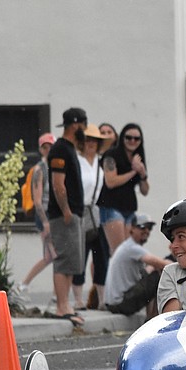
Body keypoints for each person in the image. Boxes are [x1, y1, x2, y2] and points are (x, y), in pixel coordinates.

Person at [47, 107, 88, 328]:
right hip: (64, 215)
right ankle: (62, 306)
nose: (84, 129)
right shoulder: (60, 149)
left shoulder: (70, 148)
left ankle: (67, 306)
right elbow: (57, 184)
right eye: (83, 124)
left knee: (73, 261)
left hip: (73, 215)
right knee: (64, 260)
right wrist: (65, 211)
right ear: (75, 125)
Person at [14, 133, 57, 303]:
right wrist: (45, 223)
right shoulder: (40, 170)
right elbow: (38, 201)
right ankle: (24, 285)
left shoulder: (55, 167)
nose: (48, 150)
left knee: (52, 257)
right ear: (41, 149)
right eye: (45, 147)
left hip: (53, 216)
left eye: (51, 147)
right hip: (45, 217)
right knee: (53, 257)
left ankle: (53, 293)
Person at [104, 212, 171, 318]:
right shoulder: (131, 247)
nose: (146, 231)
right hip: (120, 303)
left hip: (116, 302)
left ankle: (151, 317)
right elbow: (160, 263)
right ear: (132, 228)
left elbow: (151, 267)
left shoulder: (130, 247)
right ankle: (153, 320)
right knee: (160, 276)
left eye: (149, 228)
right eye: (142, 227)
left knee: (154, 273)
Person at [100, 122, 149, 257]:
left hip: (129, 208)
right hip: (111, 206)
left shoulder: (138, 158)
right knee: (119, 253)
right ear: (122, 138)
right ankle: (113, 278)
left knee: (129, 253)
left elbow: (145, 191)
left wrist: (143, 173)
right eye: (128, 137)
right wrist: (134, 172)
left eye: (136, 138)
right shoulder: (111, 155)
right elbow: (111, 182)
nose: (132, 141)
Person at [76, 124, 110, 309]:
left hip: (95, 212)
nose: (91, 144)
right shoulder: (78, 161)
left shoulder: (100, 162)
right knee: (80, 255)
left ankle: (102, 298)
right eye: (87, 140)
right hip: (80, 211)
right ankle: (78, 298)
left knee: (101, 256)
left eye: (94, 141)